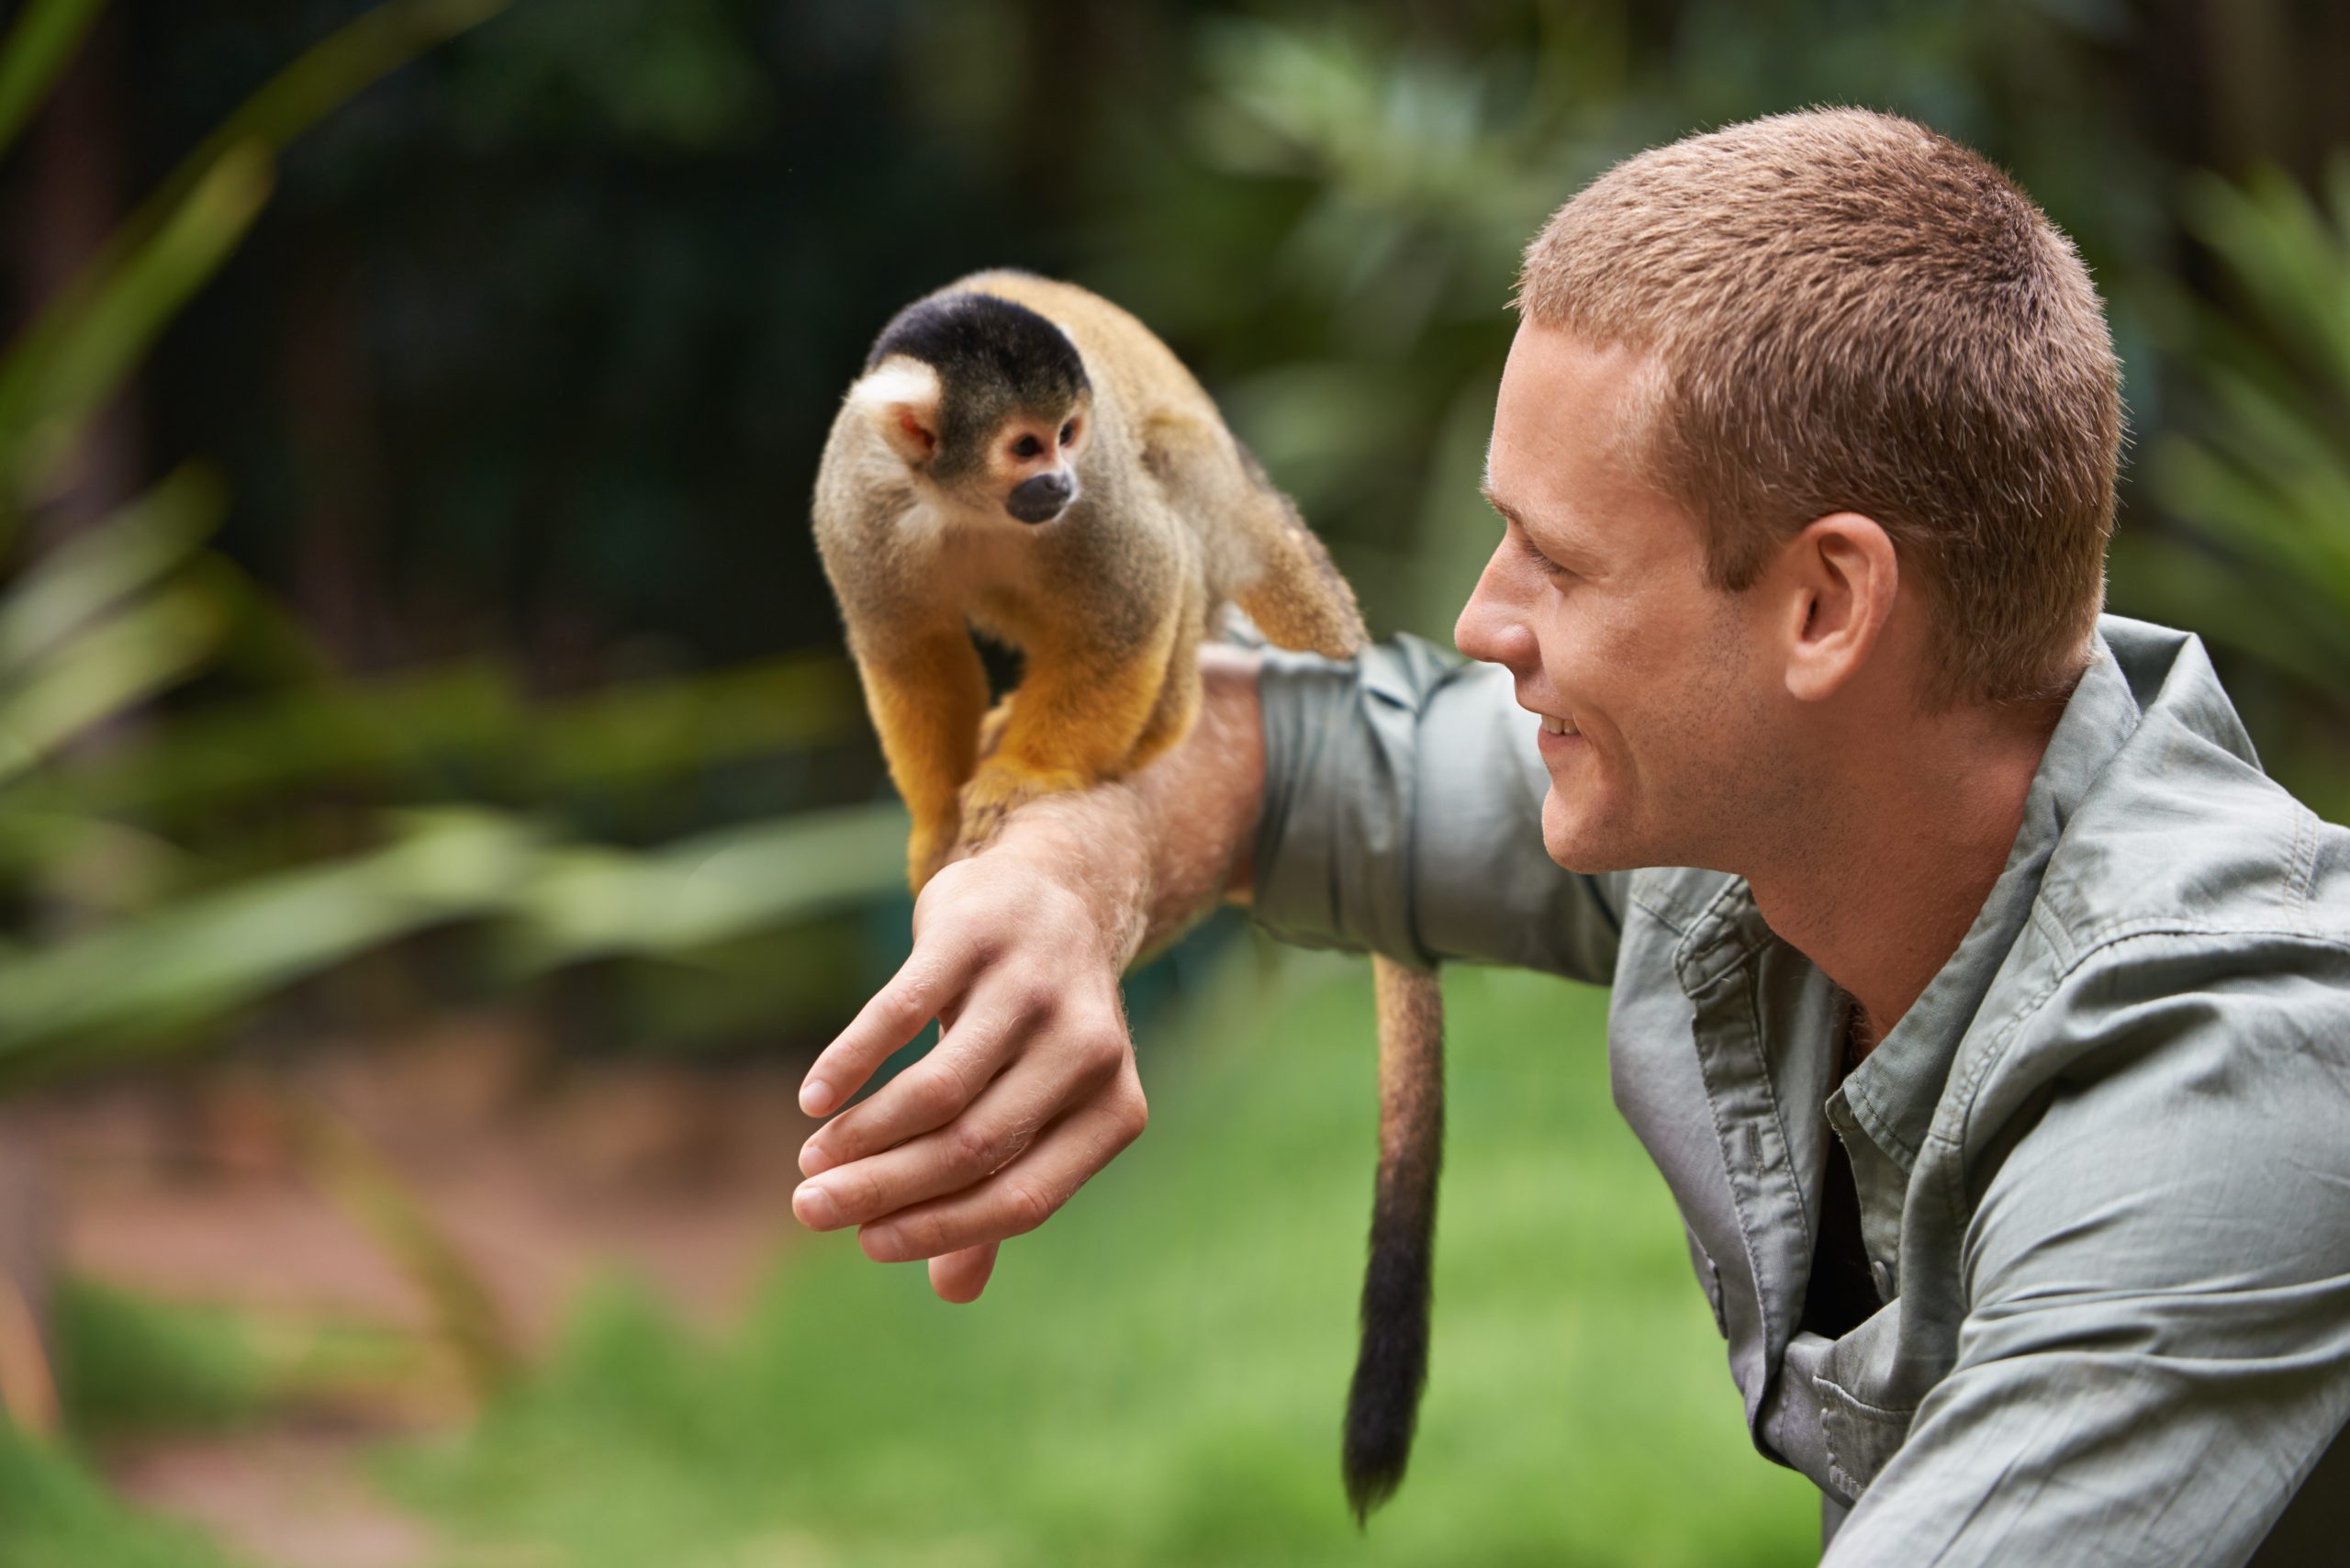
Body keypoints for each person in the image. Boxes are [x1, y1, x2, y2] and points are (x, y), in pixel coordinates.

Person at [787, 108, 2350, 1563]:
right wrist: (1065, 877)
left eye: (1554, 559)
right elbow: (1287, 756)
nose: (1478, 620)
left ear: (1826, 605)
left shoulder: (2224, 1102)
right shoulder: (1780, 813)